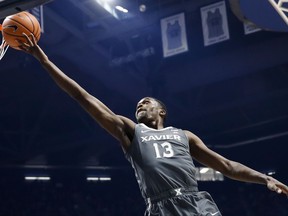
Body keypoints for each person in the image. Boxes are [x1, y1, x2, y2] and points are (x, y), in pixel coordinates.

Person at [18, 34, 288, 216]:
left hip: (195, 203)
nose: (139, 104)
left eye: (146, 101)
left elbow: (227, 166)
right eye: (138, 103)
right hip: (159, 207)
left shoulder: (184, 136)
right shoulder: (131, 132)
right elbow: (82, 96)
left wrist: (264, 178)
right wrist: (45, 60)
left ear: (161, 111)